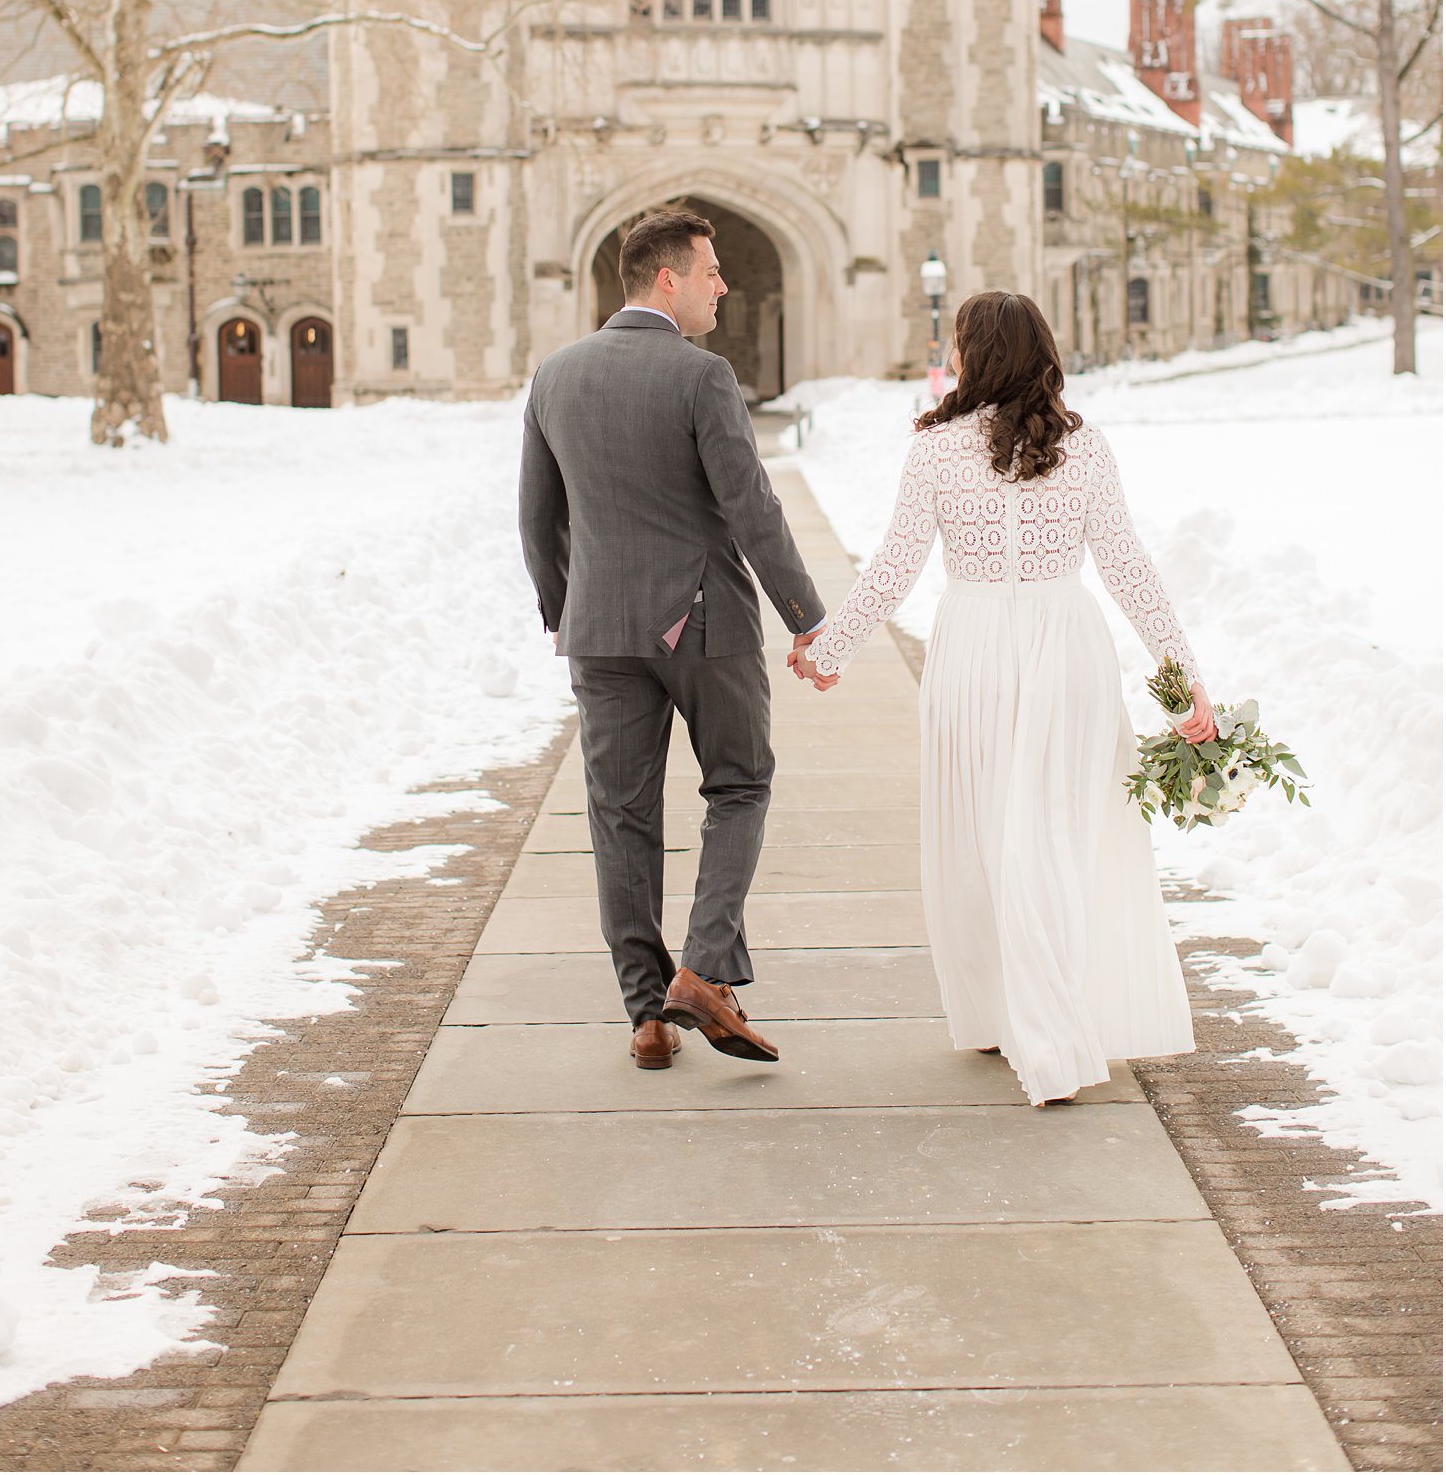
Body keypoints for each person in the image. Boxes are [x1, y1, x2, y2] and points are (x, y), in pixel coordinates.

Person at [792, 289, 1215, 1108]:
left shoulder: (935, 450)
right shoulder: (1083, 445)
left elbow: (894, 568)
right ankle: (1032, 1012)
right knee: (1055, 834)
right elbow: (1129, 569)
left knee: (989, 838)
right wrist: (1182, 678)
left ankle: (1032, 1026)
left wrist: (830, 649)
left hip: (977, 651)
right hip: (1068, 647)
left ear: (971, 354)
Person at [518, 208, 830, 1071]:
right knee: (740, 784)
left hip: (600, 631)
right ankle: (701, 969)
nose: (722, 285)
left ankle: (646, 1015)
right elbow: (751, 509)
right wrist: (807, 615)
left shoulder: (555, 375)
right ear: (668, 279)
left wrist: (565, 609)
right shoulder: (703, 377)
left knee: (621, 817)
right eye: (711, 271)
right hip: (705, 624)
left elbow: (536, 516)